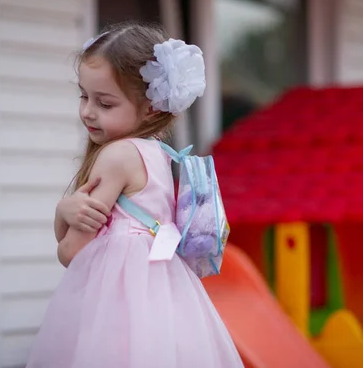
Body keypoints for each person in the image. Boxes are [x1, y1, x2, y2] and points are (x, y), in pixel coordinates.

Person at [26, 22, 244, 368]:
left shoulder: (116, 156)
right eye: (84, 96)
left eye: (105, 103)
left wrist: (61, 213)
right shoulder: (158, 154)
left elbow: (71, 253)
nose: (88, 111)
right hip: (161, 305)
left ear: (151, 108)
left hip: (115, 313)